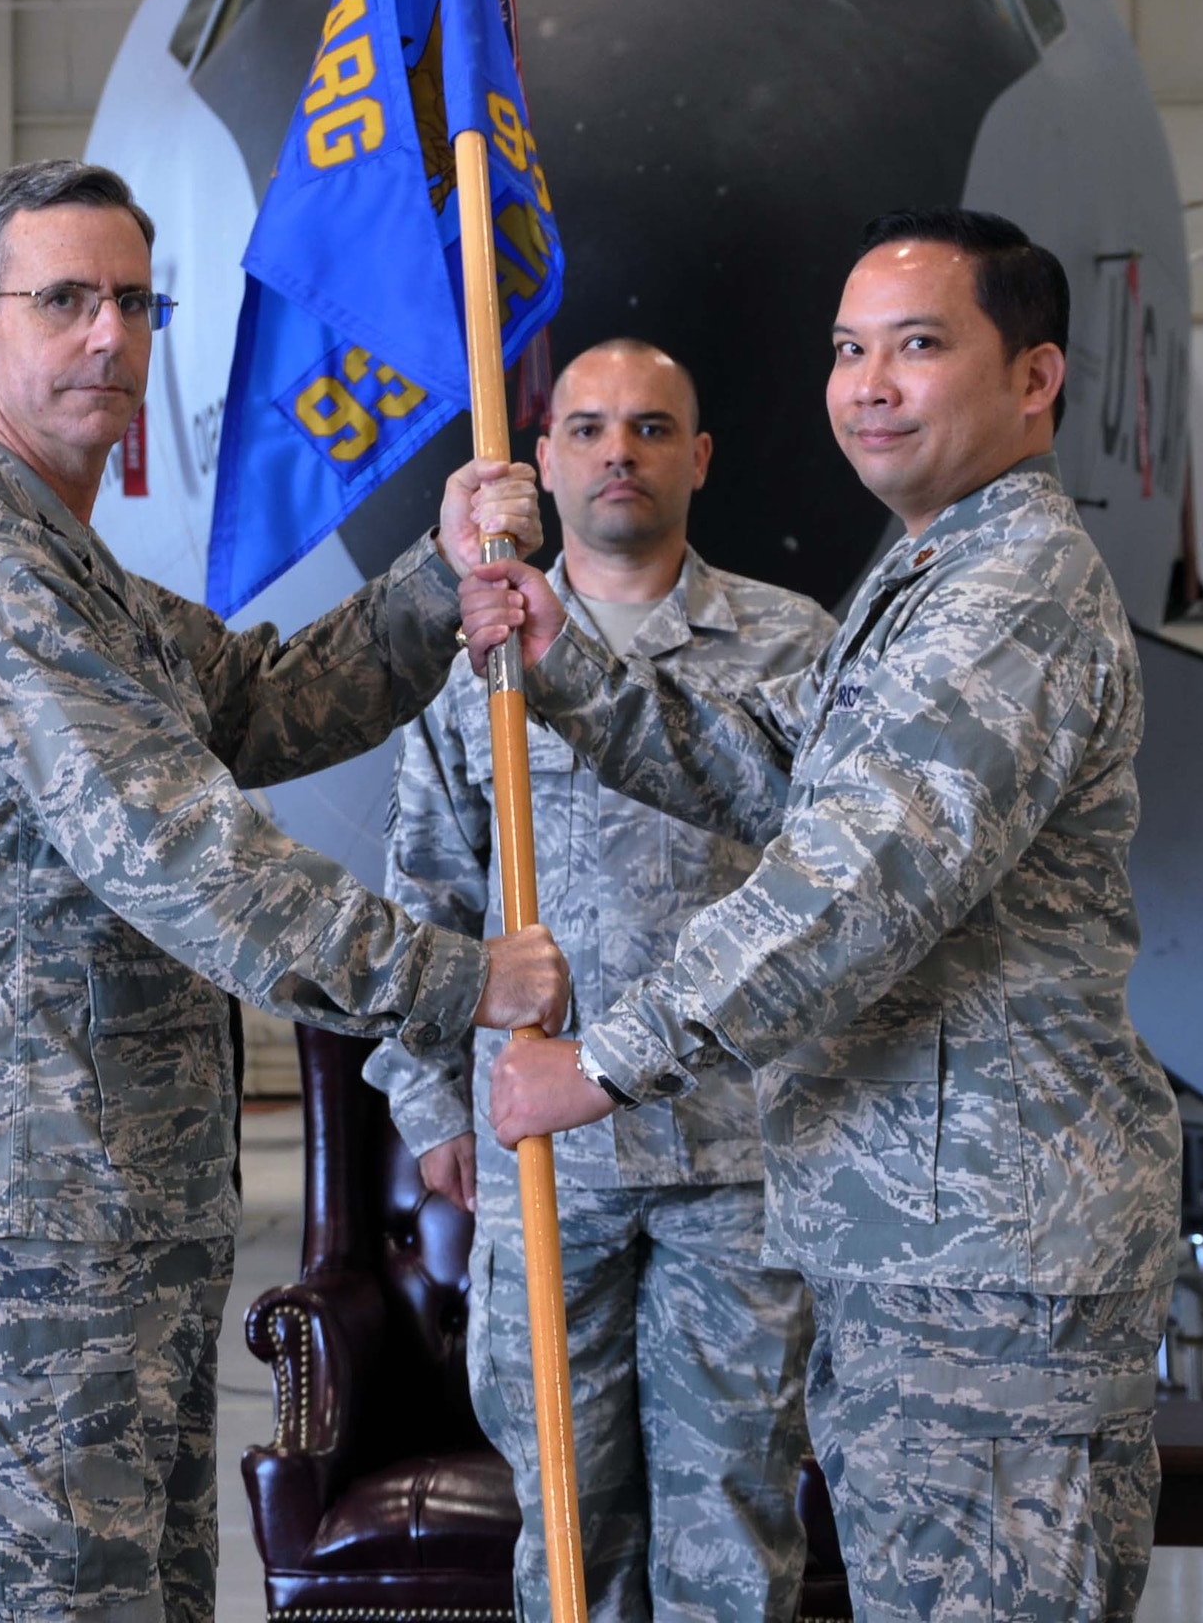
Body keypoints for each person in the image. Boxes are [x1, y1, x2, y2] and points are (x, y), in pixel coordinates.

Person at [0, 159, 569, 1623]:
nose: (109, 334)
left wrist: (437, 586)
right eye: (64, 299)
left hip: (115, 1207)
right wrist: (457, 979)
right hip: (32, 1217)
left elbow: (260, 697)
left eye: (133, 301)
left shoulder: (68, 565)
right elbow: (179, 852)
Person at [460, 210, 1184, 1623]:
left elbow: (848, 885)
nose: (869, 385)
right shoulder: (926, 579)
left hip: (990, 1255)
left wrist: (603, 1061)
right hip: (916, 1236)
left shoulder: (1008, 594)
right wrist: (569, 666)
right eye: (850, 350)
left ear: (1033, 377)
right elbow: (774, 766)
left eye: (917, 346)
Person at [366, 341, 835, 1623]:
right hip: (543, 1162)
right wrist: (430, 1105)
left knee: (731, 1518)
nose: (616, 450)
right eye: (584, 428)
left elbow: (834, 894)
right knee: (570, 1525)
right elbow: (425, 897)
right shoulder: (479, 655)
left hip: (737, 1160)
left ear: (700, 456)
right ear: (543, 460)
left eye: (648, 426)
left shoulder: (790, 643)